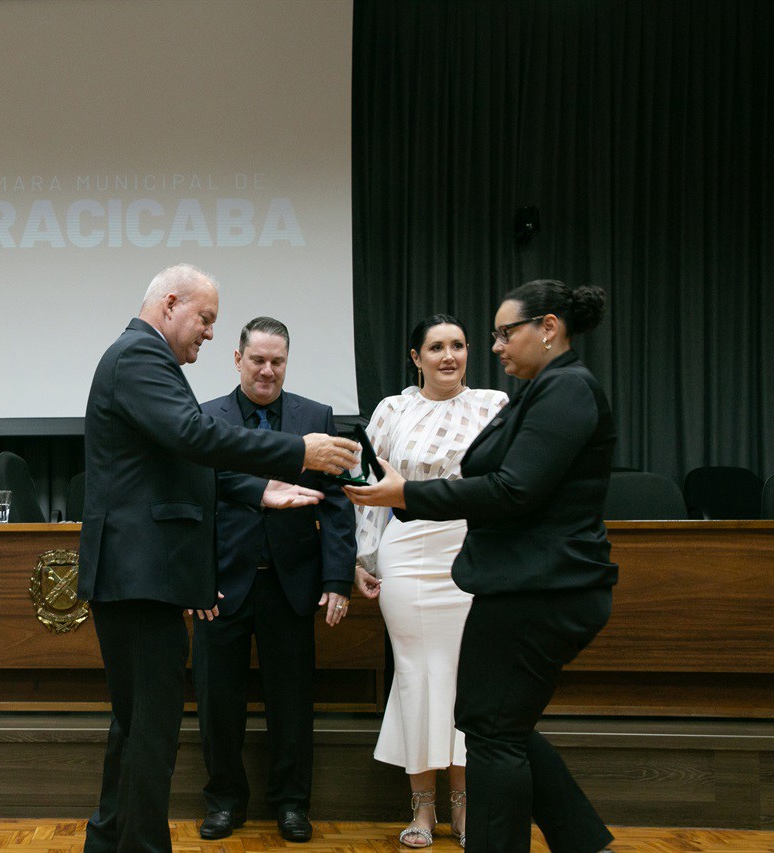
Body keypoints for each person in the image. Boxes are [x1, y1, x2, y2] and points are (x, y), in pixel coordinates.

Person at [79, 264, 360, 853]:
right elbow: (193, 436)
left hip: (141, 577)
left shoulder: (143, 357)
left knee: (137, 732)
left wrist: (256, 489)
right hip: (140, 575)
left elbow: (182, 461)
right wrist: (296, 452)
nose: (209, 332)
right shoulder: (139, 356)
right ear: (170, 303)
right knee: (147, 735)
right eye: (205, 318)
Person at [347, 281, 617, 853]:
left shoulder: (567, 390)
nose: (493, 346)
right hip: (516, 585)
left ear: (547, 328)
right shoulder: (540, 391)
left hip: (544, 589)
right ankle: (586, 841)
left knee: (491, 732)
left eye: (502, 333)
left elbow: (513, 490)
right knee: (497, 724)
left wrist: (410, 498)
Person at [193, 316, 357, 843]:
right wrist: (194, 579)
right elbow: (194, 502)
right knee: (219, 703)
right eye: (258, 360)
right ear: (237, 359)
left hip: (293, 584)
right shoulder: (204, 419)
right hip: (220, 587)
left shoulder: (316, 417)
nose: (267, 370)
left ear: (287, 362)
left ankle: (291, 804)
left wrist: (337, 578)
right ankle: (224, 801)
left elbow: (336, 505)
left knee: (292, 701)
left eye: (277, 361)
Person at [352, 315, 508, 848]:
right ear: (415, 357)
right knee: (417, 675)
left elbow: (510, 488)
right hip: (408, 552)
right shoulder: (392, 411)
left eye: (459, 346)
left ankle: (464, 808)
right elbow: (369, 489)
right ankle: (422, 809)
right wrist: (364, 558)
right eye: (436, 347)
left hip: (472, 552)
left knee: (465, 679)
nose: (450, 356)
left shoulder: (496, 407)